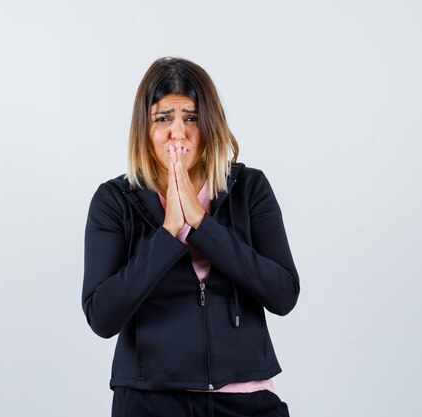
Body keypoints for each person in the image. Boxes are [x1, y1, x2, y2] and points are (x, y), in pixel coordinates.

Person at [81, 57, 300, 417]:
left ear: (210, 126)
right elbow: (102, 317)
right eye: (163, 118)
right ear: (144, 129)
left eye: (192, 118)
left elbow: (283, 294)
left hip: (246, 399)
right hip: (149, 400)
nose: (178, 133)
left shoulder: (249, 188)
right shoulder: (114, 200)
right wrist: (168, 233)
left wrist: (203, 226)